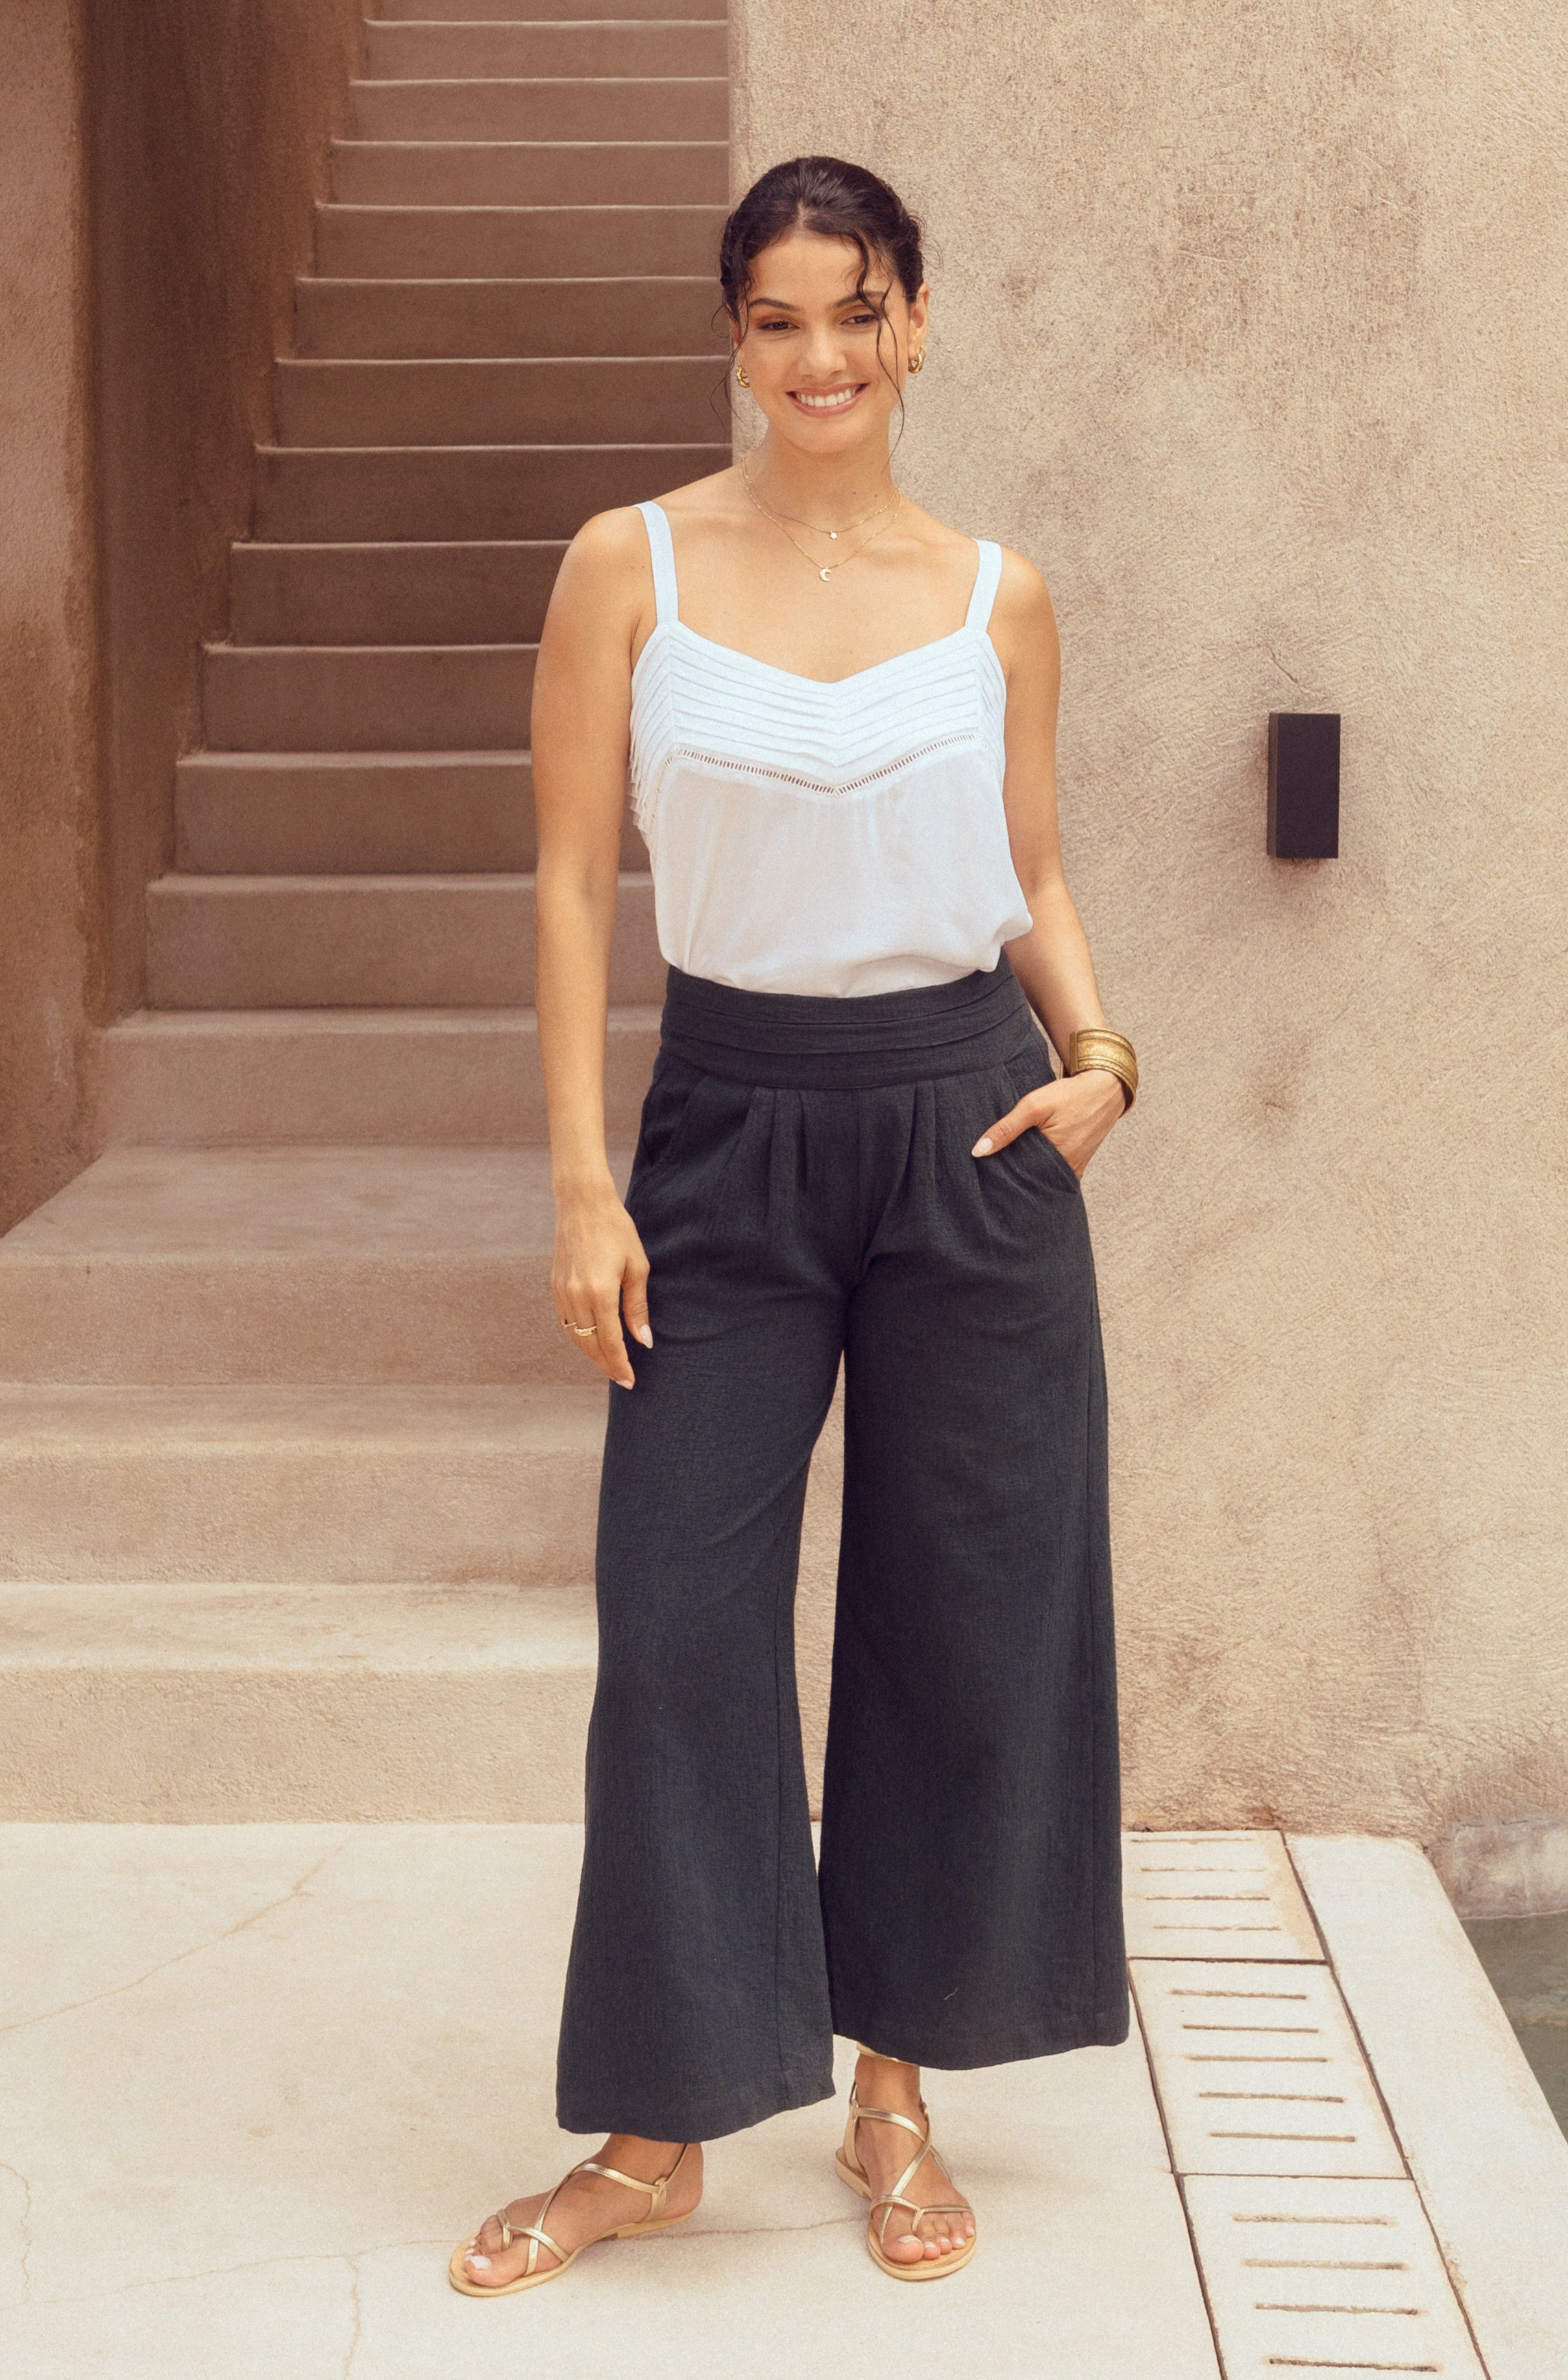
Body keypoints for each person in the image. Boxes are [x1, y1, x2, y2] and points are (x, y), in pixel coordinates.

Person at [452, 154, 1135, 2298]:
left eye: (856, 311)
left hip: (968, 1128)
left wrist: (1105, 1054)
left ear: (917, 320)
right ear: (733, 335)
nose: (818, 356)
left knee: (964, 1624)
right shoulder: (627, 566)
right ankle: (658, 2132)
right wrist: (581, 1175)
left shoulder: (996, 592)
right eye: (775, 317)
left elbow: (1028, 862)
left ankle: (895, 2092)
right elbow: (571, 883)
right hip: (725, 1133)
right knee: (674, 1625)